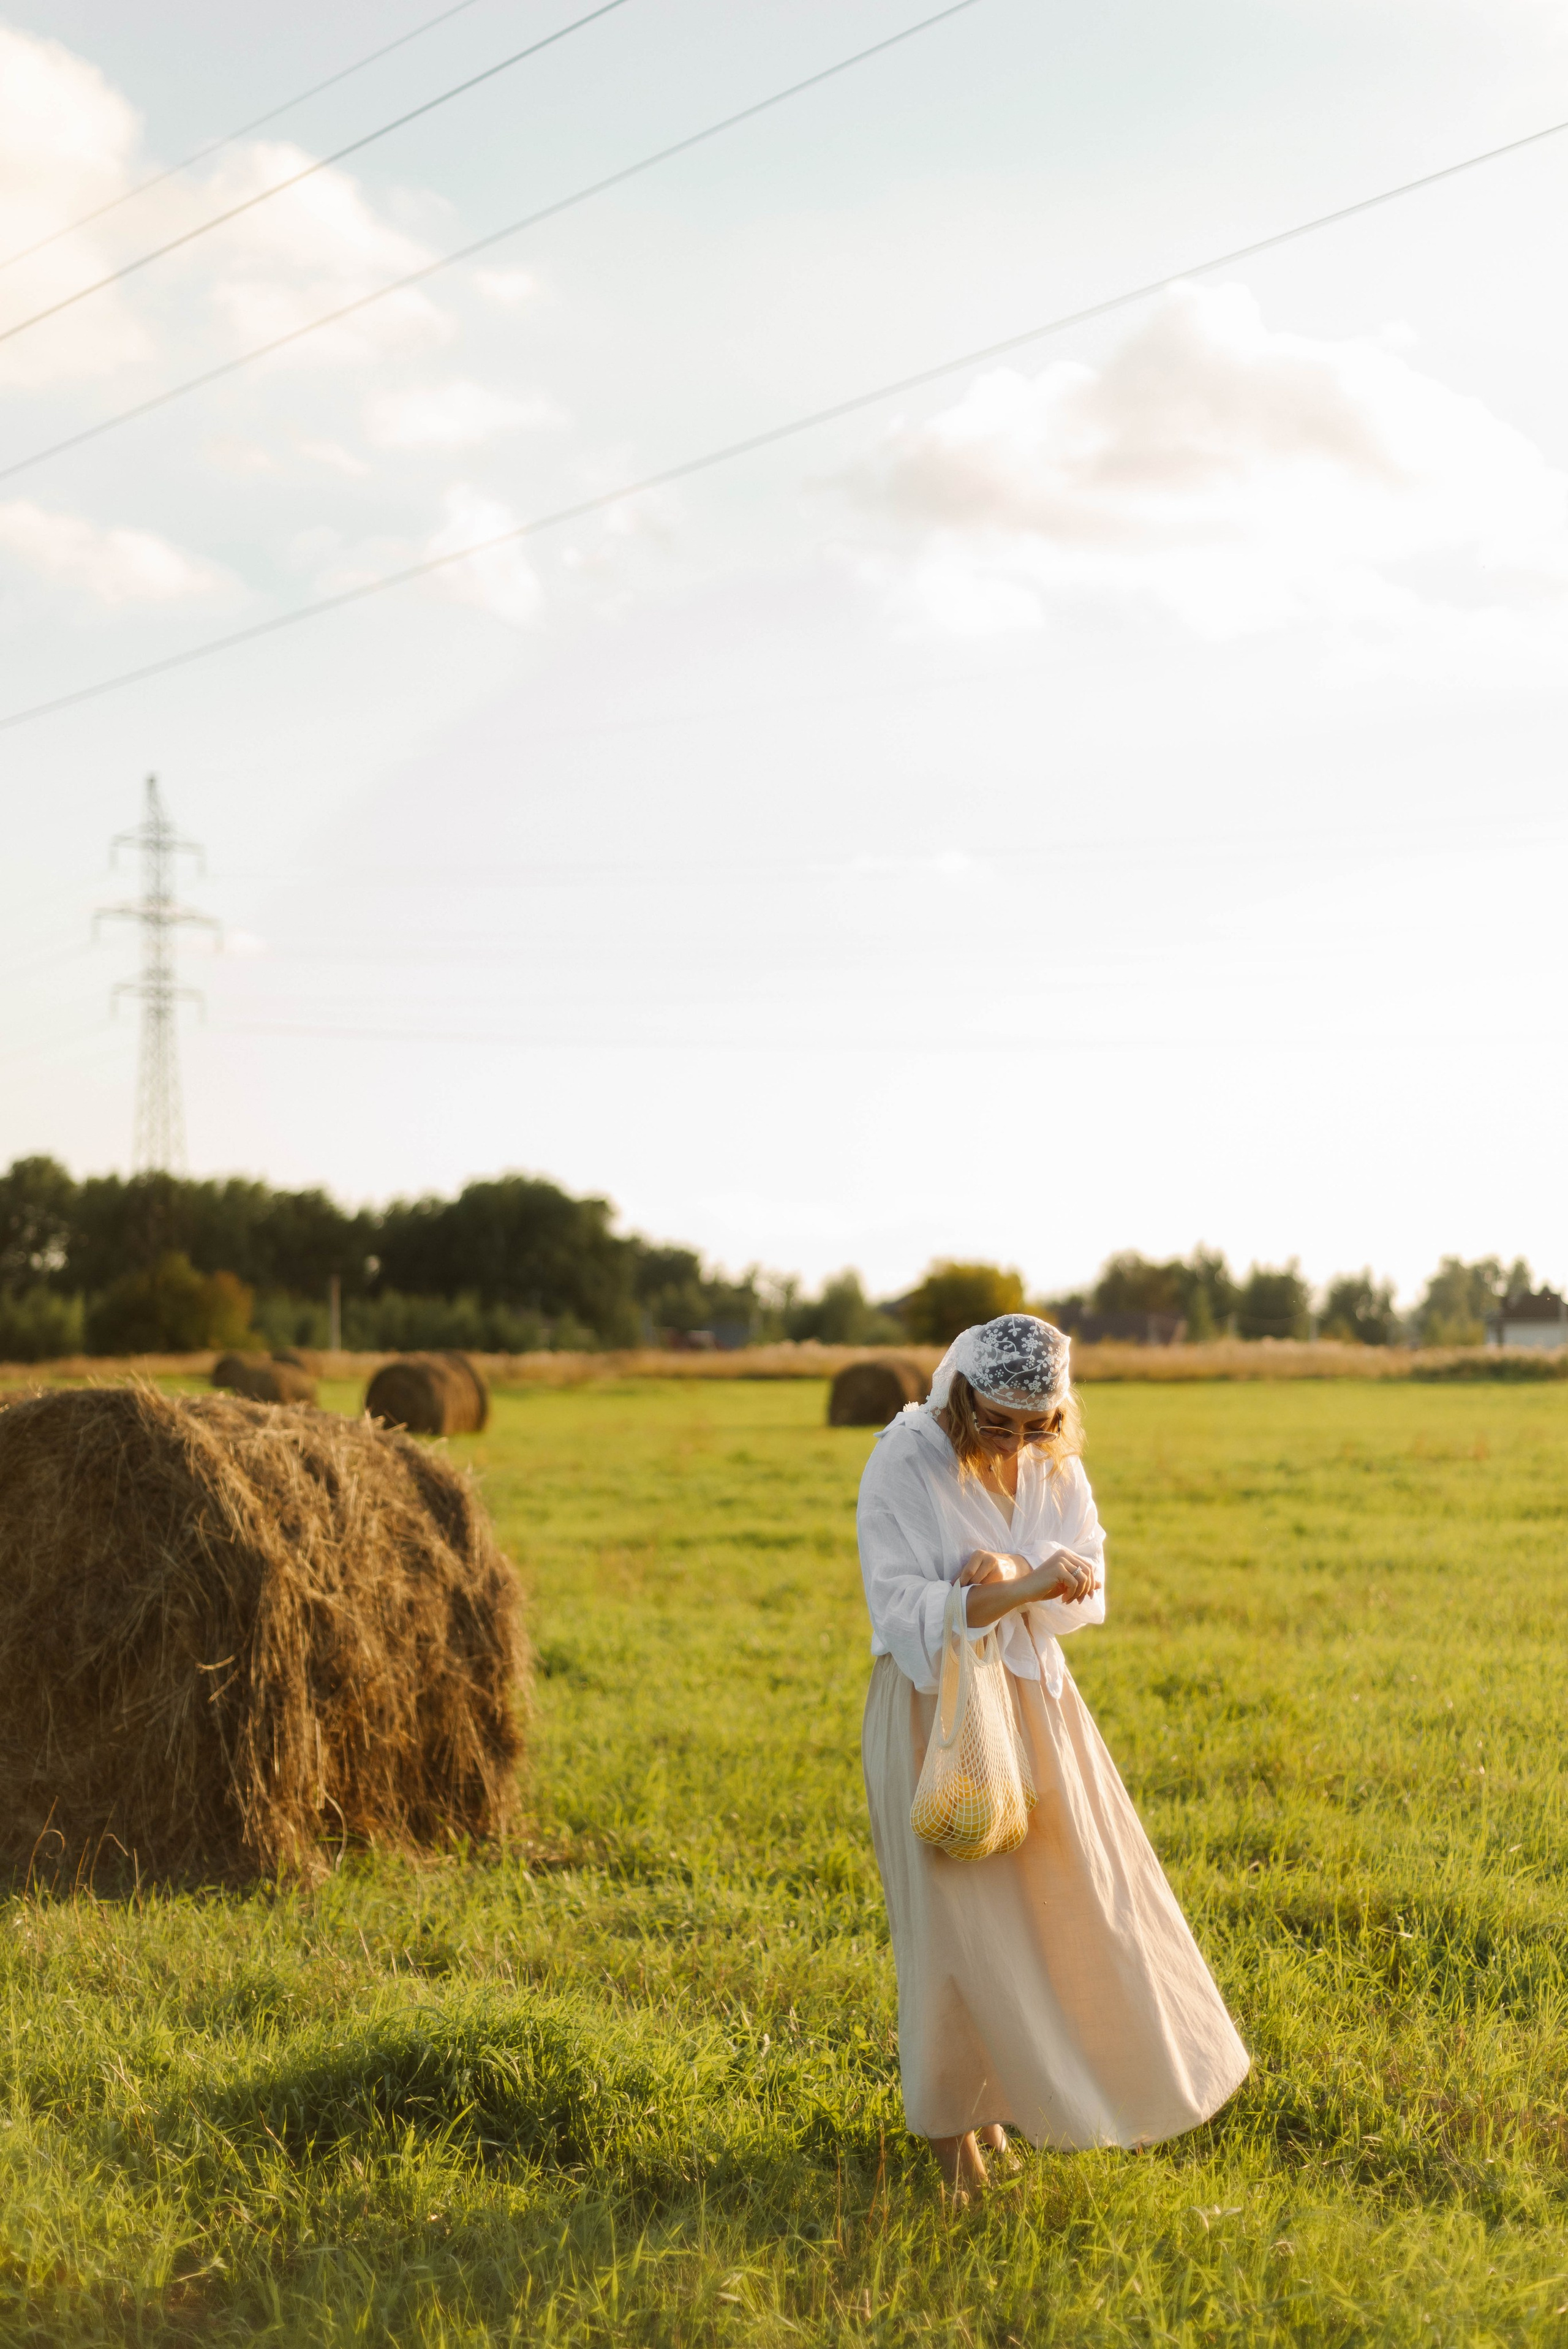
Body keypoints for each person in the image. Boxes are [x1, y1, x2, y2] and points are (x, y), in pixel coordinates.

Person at [858, 1313, 1248, 2195]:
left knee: (1060, 1910)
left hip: (1038, 1704)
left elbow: (1088, 1582)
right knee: (955, 1931)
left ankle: (1016, 2107)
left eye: (1038, 1427)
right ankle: (954, 2154)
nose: (1017, 1444)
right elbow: (901, 1609)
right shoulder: (904, 1458)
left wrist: (1023, 1573)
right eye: (998, 1423)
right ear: (962, 1394)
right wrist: (1030, 1578)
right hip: (936, 1709)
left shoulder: (1052, 1459)